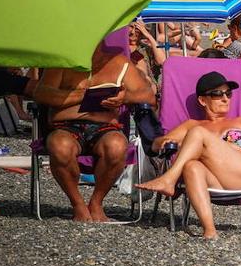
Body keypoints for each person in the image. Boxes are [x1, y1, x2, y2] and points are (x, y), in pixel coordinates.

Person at [19, 40, 156, 222]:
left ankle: (96, 203)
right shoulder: (62, 63)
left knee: (117, 146)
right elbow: (42, 94)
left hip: (105, 126)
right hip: (66, 125)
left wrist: (126, 97)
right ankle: (78, 204)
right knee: (60, 146)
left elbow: (148, 96)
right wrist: (82, 95)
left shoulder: (119, 63)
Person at [136, 71, 241, 239]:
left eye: (228, 94)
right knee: (192, 166)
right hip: (214, 182)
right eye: (217, 94)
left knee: (198, 133)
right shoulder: (192, 125)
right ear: (202, 100)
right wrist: (164, 142)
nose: (225, 98)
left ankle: (169, 179)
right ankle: (210, 231)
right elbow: (157, 143)